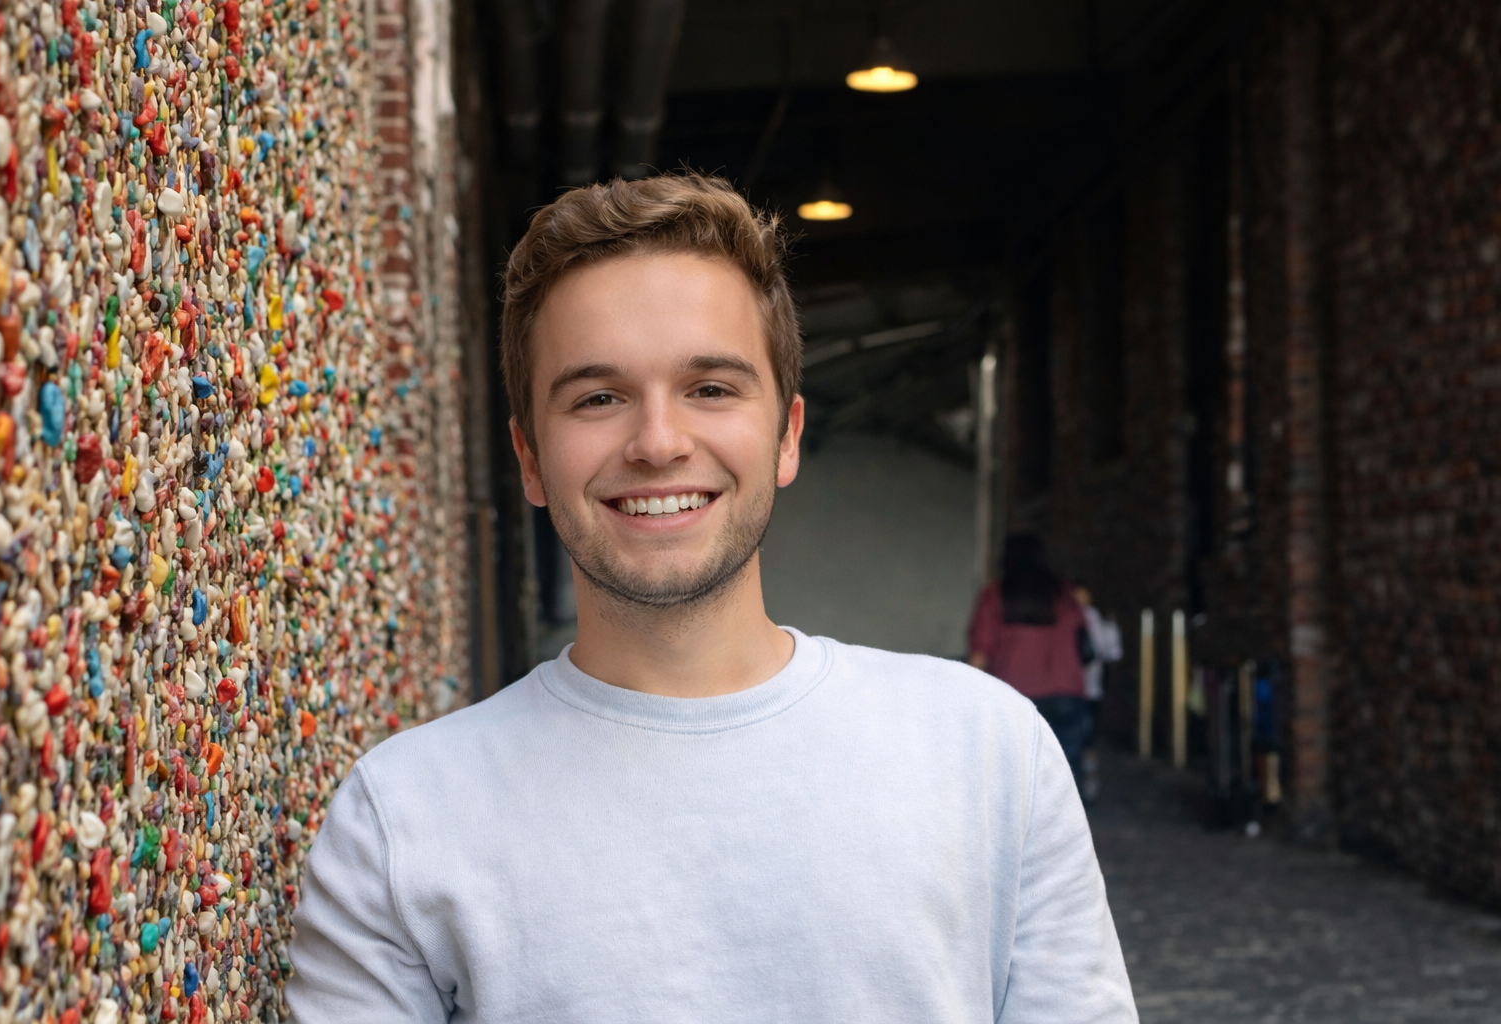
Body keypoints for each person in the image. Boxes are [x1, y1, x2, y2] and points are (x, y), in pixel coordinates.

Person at [287, 173, 1137, 1023]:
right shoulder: (399, 821)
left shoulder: (990, 754)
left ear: (787, 437)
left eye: (711, 389)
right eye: (599, 398)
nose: (658, 443)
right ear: (531, 460)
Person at [968, 534, 1090, 791]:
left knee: (1012, 780)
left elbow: (979, 654)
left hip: (1012, 697)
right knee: (1064, 782)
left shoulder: (995, 594)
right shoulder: (1064, 593)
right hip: (1065, 693)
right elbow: (1084, 642)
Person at [1073, 586, 1123, 802]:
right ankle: (1087, 782)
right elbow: (1113, 652)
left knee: (1079, 735)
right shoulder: (1098, 620)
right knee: (1087, 736)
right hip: (1088, 687)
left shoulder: (1088, 618)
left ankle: (1081, 782)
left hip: (1077, 687)